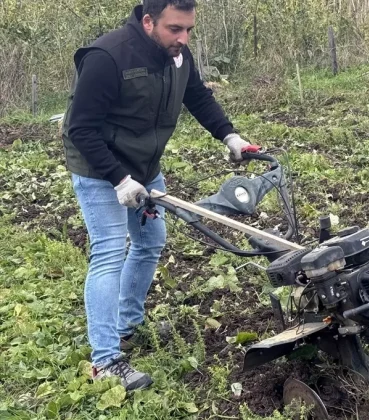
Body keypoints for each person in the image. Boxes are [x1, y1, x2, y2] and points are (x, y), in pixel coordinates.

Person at [60, 0, 250, 391]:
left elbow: (197, 96)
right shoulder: (107, 57)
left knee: (150, 241)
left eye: (188, 30)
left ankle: (126, 324)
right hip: (99, 168)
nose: (183, 38)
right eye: (174, 29)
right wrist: (119, 180)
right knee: (110, 251)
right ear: (149, 21)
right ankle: (105, 361)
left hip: (145, 168)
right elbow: (80, 128)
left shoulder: (178, 56)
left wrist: (229, 135)